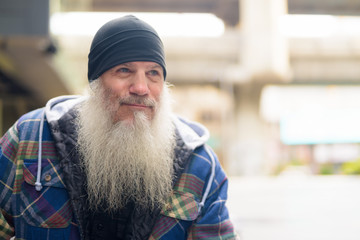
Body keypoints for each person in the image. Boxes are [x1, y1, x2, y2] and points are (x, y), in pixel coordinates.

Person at [0, 15, 236, 240]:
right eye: (124, 70)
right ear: (96, 83)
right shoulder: (30, 137)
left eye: (153, 73)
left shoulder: (201, 165)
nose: (141, 88)